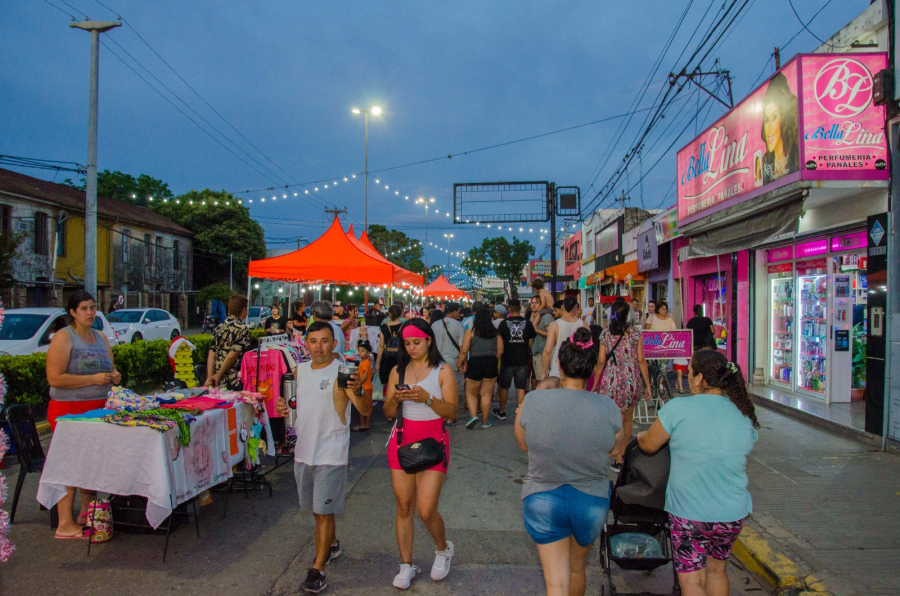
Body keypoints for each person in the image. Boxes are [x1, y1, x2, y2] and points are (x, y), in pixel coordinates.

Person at [637, 351, 759, 596]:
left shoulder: (678, 408)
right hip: (731, 513)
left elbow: (649, 444)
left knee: (692, 582)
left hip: (688, 513)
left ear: (699, 377)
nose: (688, 376)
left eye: (690, 371)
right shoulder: (743, 413)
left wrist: (639, 435)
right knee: (717, 570)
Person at [515, 326, 626, 596]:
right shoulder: (608, 406)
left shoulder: (533, 400)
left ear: (560, 366)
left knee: (556, 583)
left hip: (542, 498)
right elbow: (614, 450)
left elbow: (524, 444)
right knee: (577, 569)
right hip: (590, 501)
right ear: (590, 369)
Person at [275, 321, 372, 594]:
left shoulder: (343, 373)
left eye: (325, 341)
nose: (319, 346)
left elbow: (365, 408)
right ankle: (332, 543)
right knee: (319, 512)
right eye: (313, 340)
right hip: (304, 453)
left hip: (331, 453)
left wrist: (359, 390)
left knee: (322, 511)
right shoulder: (298, 371)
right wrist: (284, 407)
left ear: (334, 343)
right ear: (305, 343)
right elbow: (293, 409)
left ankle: (318, 570)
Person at [383, 319, 459, 589]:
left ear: (429, 340)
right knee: (404, 507)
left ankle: (443, 548)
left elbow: (452, 412)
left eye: (417, 342)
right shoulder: (398, 371)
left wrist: (426, 398)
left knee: (426, 510)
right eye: (407, 343)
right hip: (402, 441)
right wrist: (396, 399)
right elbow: (388, 413)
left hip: (433, 442)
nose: (412, 347)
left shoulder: (443, 370)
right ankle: (406, 564)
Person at [46, 290, 122, 539]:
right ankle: (64, 524)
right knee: (70, 465)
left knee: (92, 463)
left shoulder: (100, 337)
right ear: (72, 313)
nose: (90, 313)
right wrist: (93, 379)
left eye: (92, 307)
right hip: (70, 411)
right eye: (84, 309)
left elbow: (110, 367)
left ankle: (86, 512)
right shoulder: (63, 337)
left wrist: (114, 376)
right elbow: (54, 378)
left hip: (98, 408)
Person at [595, 300, 652, 473]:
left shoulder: (605, 334)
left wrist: (595, 383)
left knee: (615, 420)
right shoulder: (635, 333)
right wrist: (648, 384)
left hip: (612, 382)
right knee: (628, 419)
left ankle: (617, 457)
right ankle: (624, 456)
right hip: (631, 381)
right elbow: (641, 359)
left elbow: (601, 361)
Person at [457, 307, 503, 429]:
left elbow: (464, 350)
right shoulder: (496, 333)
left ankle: (473, 416)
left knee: (471, 392)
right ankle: (485, 421)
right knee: (486, 394)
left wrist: (460, 363)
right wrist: (492, 358)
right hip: (491, 362)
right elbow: (500, 351)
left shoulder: (471, 332)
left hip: (475, 362)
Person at [495, 299, 535, 420]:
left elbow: (500, 343)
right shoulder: (527, 323)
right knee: (520, 387)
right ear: (520, 306)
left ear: (509, 309)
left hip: (507, 359)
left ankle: (502, 412)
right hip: (522, 359)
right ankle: (520, 412)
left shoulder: (503, 324)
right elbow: (530, 341)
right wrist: (523, 347)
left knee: (504, 386)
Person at [760, 71, 799, 185]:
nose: (769, 129)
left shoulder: (796, 152)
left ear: (784, 120)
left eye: (774, 117)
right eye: (766, 120)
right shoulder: (767, 160)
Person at [206, 295, 251, 389]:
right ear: (243, 309)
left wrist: (210, 377)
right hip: (233, 379)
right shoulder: (241, 329)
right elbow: (232, 355)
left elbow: (212, 353)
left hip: (217, 379)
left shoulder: (219, 327)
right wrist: (219, 374)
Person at [542, 296, 586, 379]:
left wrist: (543, 372)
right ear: (576, 308)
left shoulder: (554, 325)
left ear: (562, 307)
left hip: (557, 367)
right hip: (578, 367)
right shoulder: (584, 325)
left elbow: (547, 350)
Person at [650, 301, 687, 393]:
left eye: (665, 308)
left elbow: (674, 333)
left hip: (665, 348)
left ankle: (661, 384)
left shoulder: (670, 320)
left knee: (664, 367)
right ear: (658, 309)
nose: (663, 310)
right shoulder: (651, 318)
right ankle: (653, 381)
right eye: (662, 308)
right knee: (655, 366)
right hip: (653, 348)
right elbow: (646, 332)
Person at [432, 302, 463, 379]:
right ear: (455, 312)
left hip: (437, 361)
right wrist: (463, 362)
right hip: (453, 363)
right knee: (453, 388)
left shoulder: (435, 324)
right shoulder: (459, 325)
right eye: (458, 312)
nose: (458, 314)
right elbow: (462, 347)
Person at [377, 304, 405, 387]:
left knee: (389, 382)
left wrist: (377, 364)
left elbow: (381, 346)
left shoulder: (384, 327)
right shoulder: (404, 327)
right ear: (400, 314)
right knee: (400, 380)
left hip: (387, 358)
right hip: (401, 357)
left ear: (389, 314)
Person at [530, 295, 555, 384]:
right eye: (532, 303)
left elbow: (552, 334)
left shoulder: (546, 317)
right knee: (539, 380)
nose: (533, 305)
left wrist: (538, 330)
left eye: (536, 303)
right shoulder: (534, 316)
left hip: (543, 353)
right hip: (536, 351)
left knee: (544, 381)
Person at [355, 340, 375, 431]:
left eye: (362, 351)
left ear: (368, 353)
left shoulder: (365, 363)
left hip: (364, 388)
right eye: (359, 350)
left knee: (362, 407)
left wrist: (359, 384)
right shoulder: (367, 362)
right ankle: (366, 424)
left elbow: (366, 375)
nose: (359, 353)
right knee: (367, 406)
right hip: (368, 386)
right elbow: (371, 376)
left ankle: (362, 424)